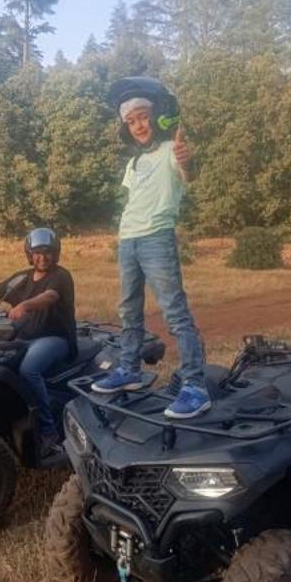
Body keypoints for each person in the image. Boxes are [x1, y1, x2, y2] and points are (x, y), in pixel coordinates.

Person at [90, 83, 209, 419]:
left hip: (157, 236)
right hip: (128, 239)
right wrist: (122, 235)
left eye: (143, 117)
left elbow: (189, 176)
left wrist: (188, 162)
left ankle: (196, 387)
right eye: (131, 121)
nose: (138, 125)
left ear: (155, 117)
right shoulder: (135, 162)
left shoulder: (174, 148)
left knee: (174, 311)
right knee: (128, 309)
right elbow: (134, 200)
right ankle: (128, 369)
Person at [0, 226, 78, 455]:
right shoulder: (22, 278)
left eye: (47, 252)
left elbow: (49, 297)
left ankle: (48, 432)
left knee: (28, 370)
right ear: (29, 254)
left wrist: (25, 305)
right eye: (37, 252)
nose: (42, 257)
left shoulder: (61, 276)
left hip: (55, 338)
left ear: (56, 253)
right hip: (22, 338)